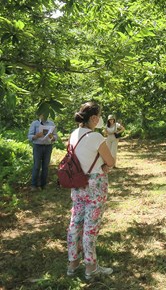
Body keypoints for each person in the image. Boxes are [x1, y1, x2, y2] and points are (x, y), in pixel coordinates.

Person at [66, 102, 115, 280]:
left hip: (77, 183)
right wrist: (106, 166)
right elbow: (110, 161)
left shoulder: (73, 135)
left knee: (75, 223)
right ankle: (91, 267)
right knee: (90, 226)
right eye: (99, 116)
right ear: (94, 118)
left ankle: (72, 263)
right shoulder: (96, 137)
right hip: (95, 183)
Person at [28, 111, 58, 191]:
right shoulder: (35, 123)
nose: (44, 115)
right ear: (39, 114)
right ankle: (34, 185)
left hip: (48, 147)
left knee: (45, 166)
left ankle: (43, 185)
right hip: (38, 146)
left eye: (45, 113)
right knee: (37, 166)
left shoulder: (51, 123)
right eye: (42, 113)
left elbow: (55, 135)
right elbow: (29, 136)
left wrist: (53, 137)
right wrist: (36, 136)